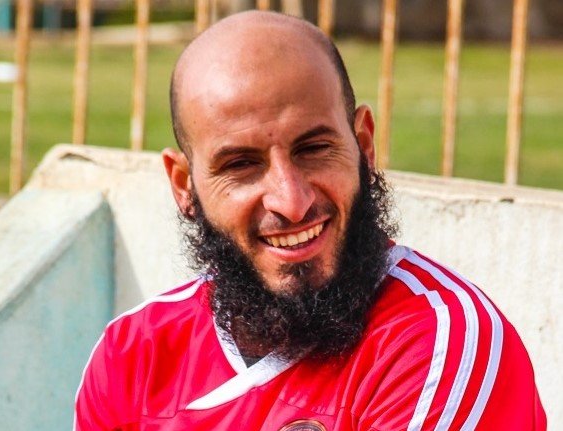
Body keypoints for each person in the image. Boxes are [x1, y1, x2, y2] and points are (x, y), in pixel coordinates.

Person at [74, 11, 546, 431]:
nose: (292, 201)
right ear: (184, 186)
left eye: (314, 149)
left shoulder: (439, 342)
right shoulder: (132, 356)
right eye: (241, 164)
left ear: (364, 146)